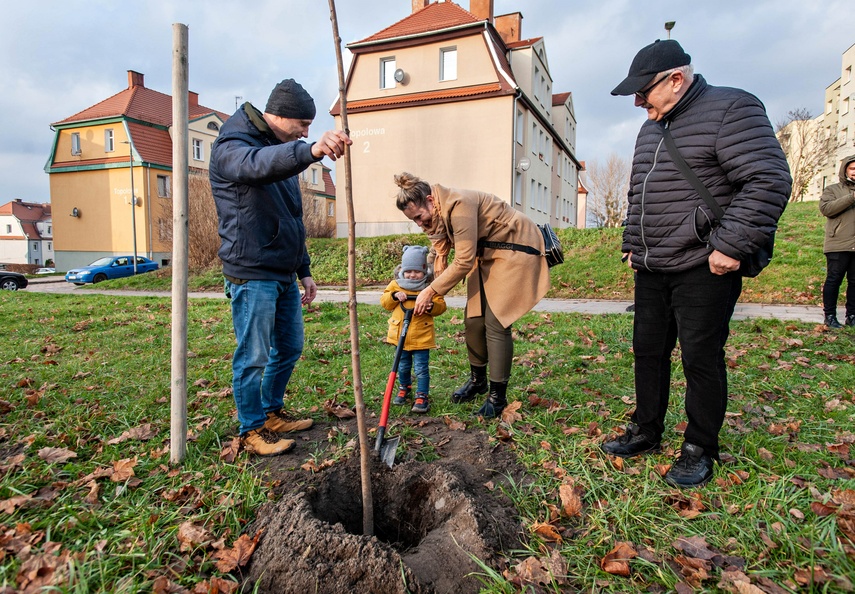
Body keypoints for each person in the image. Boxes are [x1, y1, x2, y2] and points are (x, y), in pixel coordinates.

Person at [602, 40, 791, 487]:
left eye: (642, 91)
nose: (636, 102)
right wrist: (632, 243)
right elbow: (638, 194)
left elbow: (768, 179)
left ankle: (699, 446)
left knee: (700, 357)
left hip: (704, 263)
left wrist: (731, 245)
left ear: (675, 79)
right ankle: (646, 429)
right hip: (652, 265)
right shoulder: (650, 128)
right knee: (648, 351)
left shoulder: (732, 108)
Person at [209, 79, 351, 456]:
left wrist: (303, 268)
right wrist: (311, 149)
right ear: (279, 116)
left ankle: (271, 412)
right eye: (302, 125)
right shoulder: (233, 143)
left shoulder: (276, 147)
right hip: (251, 269)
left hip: (284, 270)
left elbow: (292, 216)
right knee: (252, 355)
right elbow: (253, 166)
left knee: (289, 347)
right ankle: (251, 429)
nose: (304, 132)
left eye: (309, 128)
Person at [393, 172, 551, 419]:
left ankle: (498, 397)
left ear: (430, 200)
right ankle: (478, 382)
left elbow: (464, 261)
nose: (420, 224)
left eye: (419, 217)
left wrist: (430, 291)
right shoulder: (438, 216)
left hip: (516, 246)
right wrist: (426, 281)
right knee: (474, 319)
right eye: (413, 221)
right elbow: (441, 252)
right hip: (488, 251)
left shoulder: (459, 205)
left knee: (496, 321)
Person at [380, 245, 447, 414]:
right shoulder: (396, 285)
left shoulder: (429, 287)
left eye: (417, 271)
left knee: (421, 369)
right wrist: (394, 296)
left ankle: (422, 396)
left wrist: (430, 306)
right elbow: (385, 302)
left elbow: (441, 306)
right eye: (408, 271)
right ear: (402, 270)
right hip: (400, 336)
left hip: (421, 337)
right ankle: (404, 387)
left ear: (424, 271)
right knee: (402, 367)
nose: (412, 275)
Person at [819, 155, 855, 328]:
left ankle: (852, 316)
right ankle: (830, 316)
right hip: (838, 243)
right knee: (834, 279)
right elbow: (826, 209)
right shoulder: (833, 189)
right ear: (845, 170)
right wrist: (852, 197)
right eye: (853, 168)